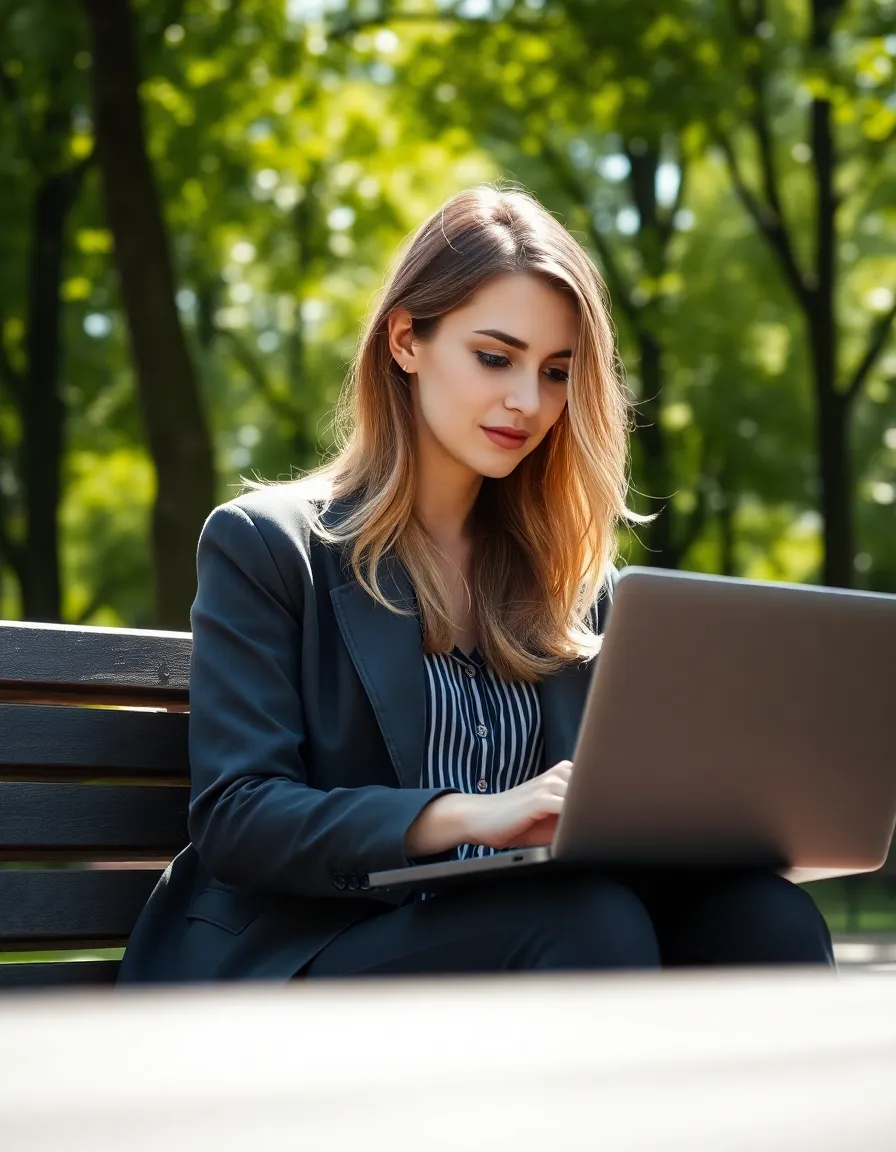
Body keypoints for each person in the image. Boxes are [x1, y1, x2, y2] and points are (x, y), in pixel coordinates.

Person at [117, 183, 834, 984]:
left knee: (766, 918)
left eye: (557, 372)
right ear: (405, 341)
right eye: (495, 358)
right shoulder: (269, 546)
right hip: (304, 951)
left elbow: (601, 827)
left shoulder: (573, 587)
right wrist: (472, 817)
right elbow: (239, 812)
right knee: (584, 921)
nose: (527, 401)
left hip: (521, 927)